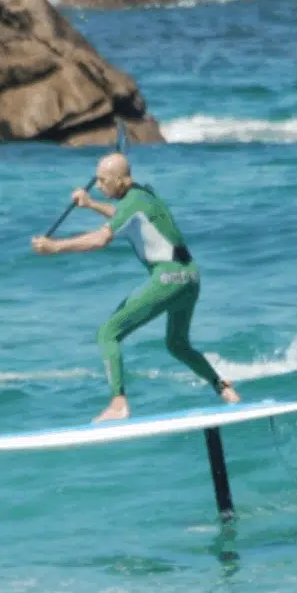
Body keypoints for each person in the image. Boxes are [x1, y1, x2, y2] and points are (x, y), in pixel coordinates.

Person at [31, 153, 241, 423]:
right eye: (97, 181)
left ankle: (118, 403)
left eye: (104, 181)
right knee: (177, 344)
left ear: (121, 180)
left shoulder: (132, 202)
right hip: (191, 277)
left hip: (168, 277)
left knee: (108, 334)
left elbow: (100, 239)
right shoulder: (143, 195)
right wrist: (92, 204)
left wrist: (54, 247)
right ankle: (223, 389)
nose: (100, 186)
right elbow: (126, 217)